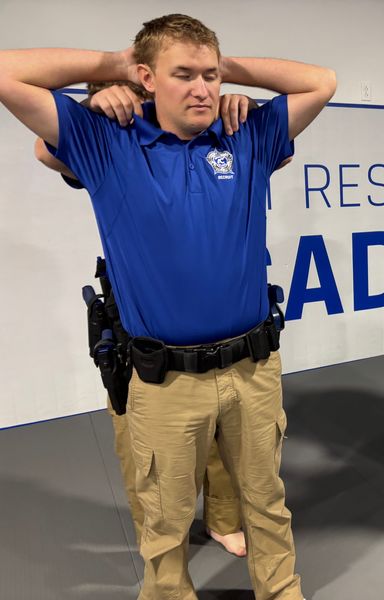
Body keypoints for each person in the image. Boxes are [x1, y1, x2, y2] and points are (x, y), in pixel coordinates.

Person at [0, 13, 336, 599]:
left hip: (253, 371)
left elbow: (322, 81)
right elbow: (7, 73)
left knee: (267, 505)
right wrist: (110, 67)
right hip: (164, 383)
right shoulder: (105, 141)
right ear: (147, 78)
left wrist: (227, 68)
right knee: (165, 522)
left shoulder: (248, 136)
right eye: (184, 74)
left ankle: (283, 592)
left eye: (210, 74)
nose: (203, 87)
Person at [34, 80, 260, 557]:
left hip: (215, 314)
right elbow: (45, 149)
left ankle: (223, 516)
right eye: (135, 98)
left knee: (221, 430)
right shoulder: (112, 147)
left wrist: (242, 105)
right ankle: (156, 537)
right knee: (143, 445)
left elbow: (269, 146)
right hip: (139, 318)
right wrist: (91, 107)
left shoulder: (204, 138)